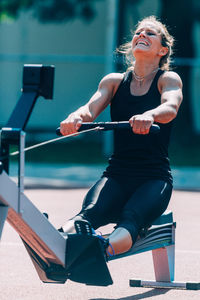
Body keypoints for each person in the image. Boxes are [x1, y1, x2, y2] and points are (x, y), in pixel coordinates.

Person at [59, 15, 183, 257]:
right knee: (89, 213)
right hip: (116, 174)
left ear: (163, 50)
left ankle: (100, 250)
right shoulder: (114, 81)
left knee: (131, 218)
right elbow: (89, 109)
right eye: (138, 32)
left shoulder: (167, 79)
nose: (142, 35)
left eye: (150, 33)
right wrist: (75, 117)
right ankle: (58, 244)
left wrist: (150, 114)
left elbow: (170, 108)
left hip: (153, 178)